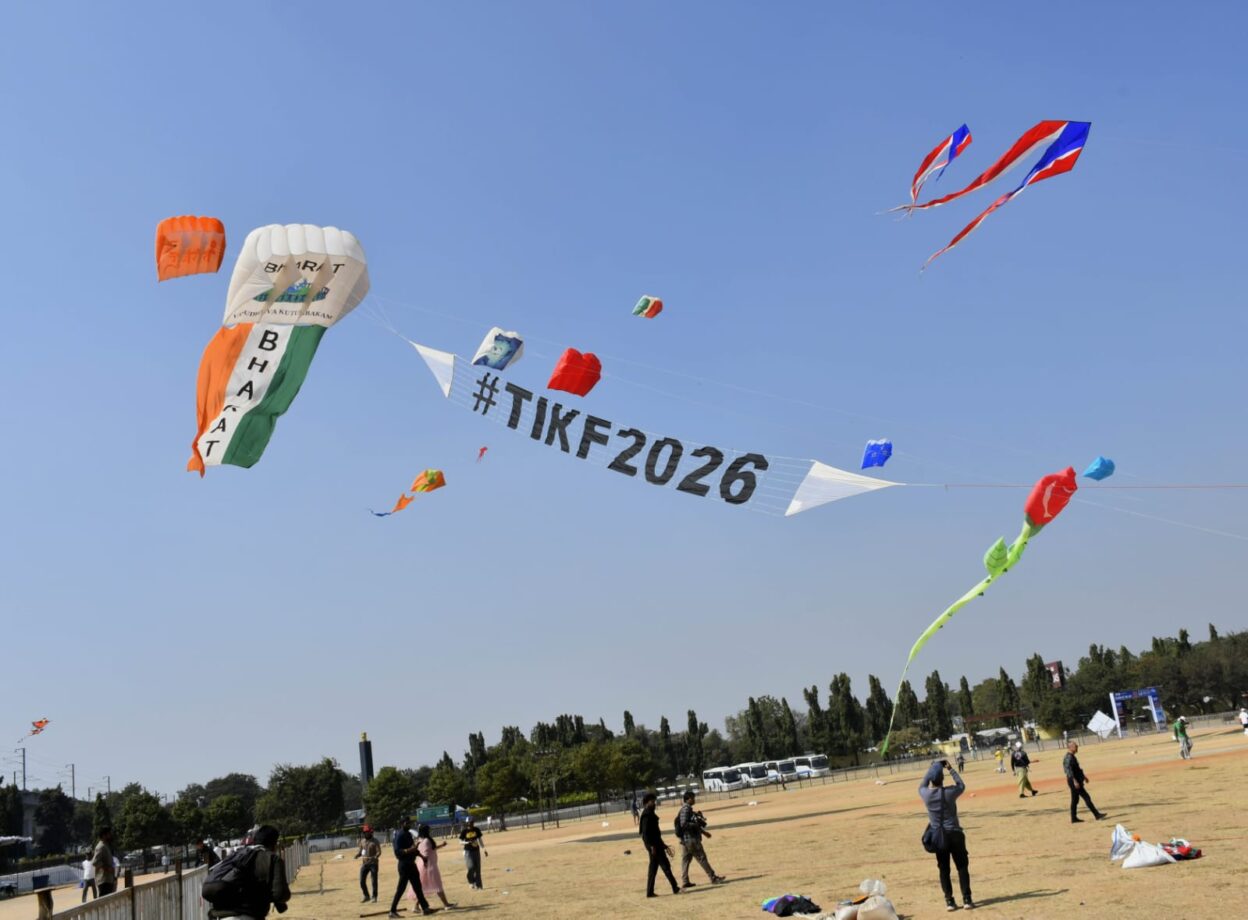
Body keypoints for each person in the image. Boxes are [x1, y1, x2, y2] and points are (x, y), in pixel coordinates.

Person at [919, 760, 973, 912]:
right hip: (955, 833)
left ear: (931, 779)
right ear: (942, 779)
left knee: (944, 869)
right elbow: (961, 785)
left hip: (938, 837)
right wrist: (950, 769)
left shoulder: (926, 795)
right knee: (962, 866)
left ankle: (949, 901)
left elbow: (922, 784)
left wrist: (931, 770)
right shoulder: (950, 792)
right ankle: (967, 898)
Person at [207, 824, 290, 920]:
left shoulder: (236, 855)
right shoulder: (272, 858)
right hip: (248, 916)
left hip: (219, 916)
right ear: (274, 844)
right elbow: (280, 894)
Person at [675, 792, 724, 888]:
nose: (694, 800)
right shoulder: (686, 809)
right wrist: (696, 824)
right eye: (692, 798)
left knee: (686, 860)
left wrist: (704, 832)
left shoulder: (687, 809)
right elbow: (684, 824)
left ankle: (685, 881)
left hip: (686, 840)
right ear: (688, 799)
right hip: (690, 839)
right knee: (701, 858)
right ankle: (713, 877)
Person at [638, 792, 681, 898]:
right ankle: (675, 887)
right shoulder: (647, 815)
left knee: (653, 870)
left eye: (654, 801)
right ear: (647, 803)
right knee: (666, 866)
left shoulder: (649, 813)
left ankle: (650, 892)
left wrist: (664, 845)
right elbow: (645, 833)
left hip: (657, 845)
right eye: (652, 801)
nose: (654, 803)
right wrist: (651, 847)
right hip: (654, 847)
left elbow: (655, 834)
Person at [388, 817, 432, 917]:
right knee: (401, 889)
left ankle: (425, 908)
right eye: (407, 823)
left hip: (411, 864)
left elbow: (414, 850)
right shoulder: (399, 836)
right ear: (402, 824)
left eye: (410, 823)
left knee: (418, 887)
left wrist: (422, 857)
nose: (409, 824)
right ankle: (392, 911)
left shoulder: (408, 834)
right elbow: (397, 852)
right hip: (404, 865)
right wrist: (410, 850)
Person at [415, 823, 456, 910]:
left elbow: (431, 849)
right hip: (429, 866)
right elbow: (426, 854)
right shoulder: (426, 840)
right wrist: (426, 864)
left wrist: (441, 845)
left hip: (424, 866)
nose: (430, 831)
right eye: (428, 830)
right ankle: (446, 904)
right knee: (437, 884)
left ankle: (416, 906)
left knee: (423, 887)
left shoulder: (420, 840)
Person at [1062, 741, 1105, 823]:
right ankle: (1097, 815)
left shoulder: (1072, 756)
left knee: (1075, 800)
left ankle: (1073, 818)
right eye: (1075, 746)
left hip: (1075, 780)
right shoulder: (1068, 758)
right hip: (1073, 781)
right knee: (1086, 797)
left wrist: (1084, 777)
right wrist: (1075, 781)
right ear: (1070, 747)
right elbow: (1068, 771)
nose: (1077, 747)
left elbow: (1077, 769)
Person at [459, 814, 488, 890]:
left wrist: (484, 849)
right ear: (467, 823)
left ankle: (479, 886)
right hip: (468, 851)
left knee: (477, 869)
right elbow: (460, 842)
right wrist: (467, 843)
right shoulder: (464, 831)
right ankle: (471, 881)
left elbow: (480, 840)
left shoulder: (476, 830)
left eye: (472, 822)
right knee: (471, 867)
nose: (471, 824)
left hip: (476, 851)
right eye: (470, 822)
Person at [355, 825, 381, 903]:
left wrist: (375, 856)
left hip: (373, 864)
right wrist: (357, 855)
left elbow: (379, 852)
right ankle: (366, 896)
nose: (366, 833)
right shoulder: (362, 841)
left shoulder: (375, 841)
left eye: (368, 832)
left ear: (371, 832)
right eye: (365, 832)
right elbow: (360, 852)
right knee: (362, 881)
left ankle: (374, 897)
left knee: (374, 881)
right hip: (365, 864)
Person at [92, 827, 118, 897]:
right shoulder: (100, 846)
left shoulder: (106, 846)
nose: (110, 835)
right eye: (109, 834)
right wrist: (106, 868)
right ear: (104, 835)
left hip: (109, 880)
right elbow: (95, 862)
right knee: (104, 904)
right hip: (104, 881)